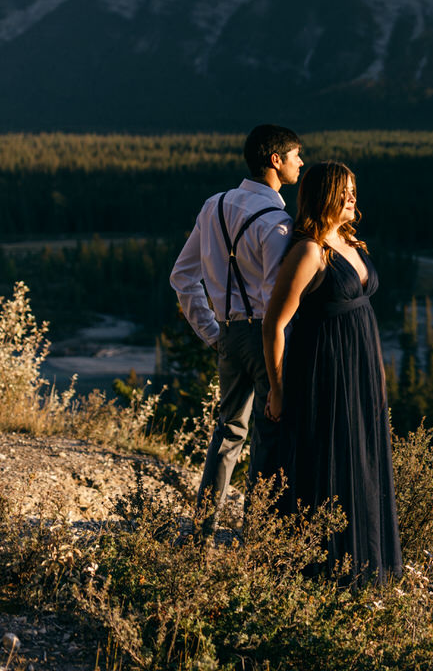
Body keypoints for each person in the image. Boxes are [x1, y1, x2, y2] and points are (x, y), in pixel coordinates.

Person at [263, 161, 402, 581]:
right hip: (324, 369)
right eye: (343, 190)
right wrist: (278, 388)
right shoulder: (308, 251)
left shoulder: (347, 241)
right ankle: (327, 572)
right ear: (324, 194)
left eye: (354, 189)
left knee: (362, 458)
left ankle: (368, 563)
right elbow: (275, 324)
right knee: (330, 461)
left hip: (358, 367)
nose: (352, 197)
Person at [170, 124, 303, 539]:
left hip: (228, 334)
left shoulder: (214, 205)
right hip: (265, 336)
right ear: (275, 160)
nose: (301, 163)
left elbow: (182, 276)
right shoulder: (278, 221)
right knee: (269, 434)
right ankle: (257, 538)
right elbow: (273, 300)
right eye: (296, 155)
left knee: (227, 432)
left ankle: (200, 532)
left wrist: (213, 332)